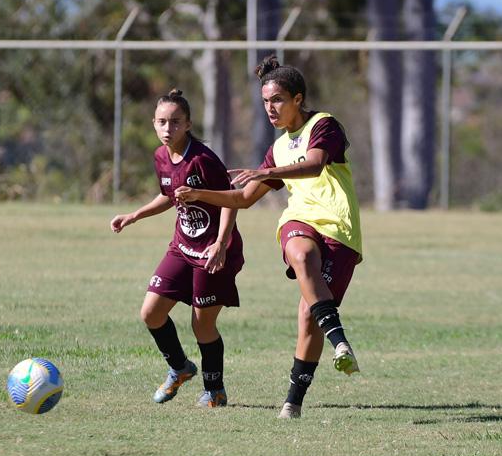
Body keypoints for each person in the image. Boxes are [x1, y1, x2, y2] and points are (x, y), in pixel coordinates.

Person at [175, 56, 362, 420]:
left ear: (297, 98)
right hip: (300, 221)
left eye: (277, 99)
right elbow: (244, 198)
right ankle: (341, 341)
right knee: (301, 253)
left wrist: (265, 172)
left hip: (340, 229)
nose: (270, 108)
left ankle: (293, 401)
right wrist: (201, 195)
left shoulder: (324, 125)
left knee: (310, 318)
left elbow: (313, 164)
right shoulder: (277, 148)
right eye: (264, 101)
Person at [110, 89, 243, 408]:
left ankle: (215, 390)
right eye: (161, 122)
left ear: (188, 124)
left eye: (175, 122)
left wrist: (221, 243)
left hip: (214, 252)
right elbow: (169, 195)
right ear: (153, 124)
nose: (167, 128)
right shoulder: (160, 156)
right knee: (151, 313)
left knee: (202, 324)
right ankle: (180, 367)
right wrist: (134, 215)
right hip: (182, 248)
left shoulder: (203, 159)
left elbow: (231, 200)